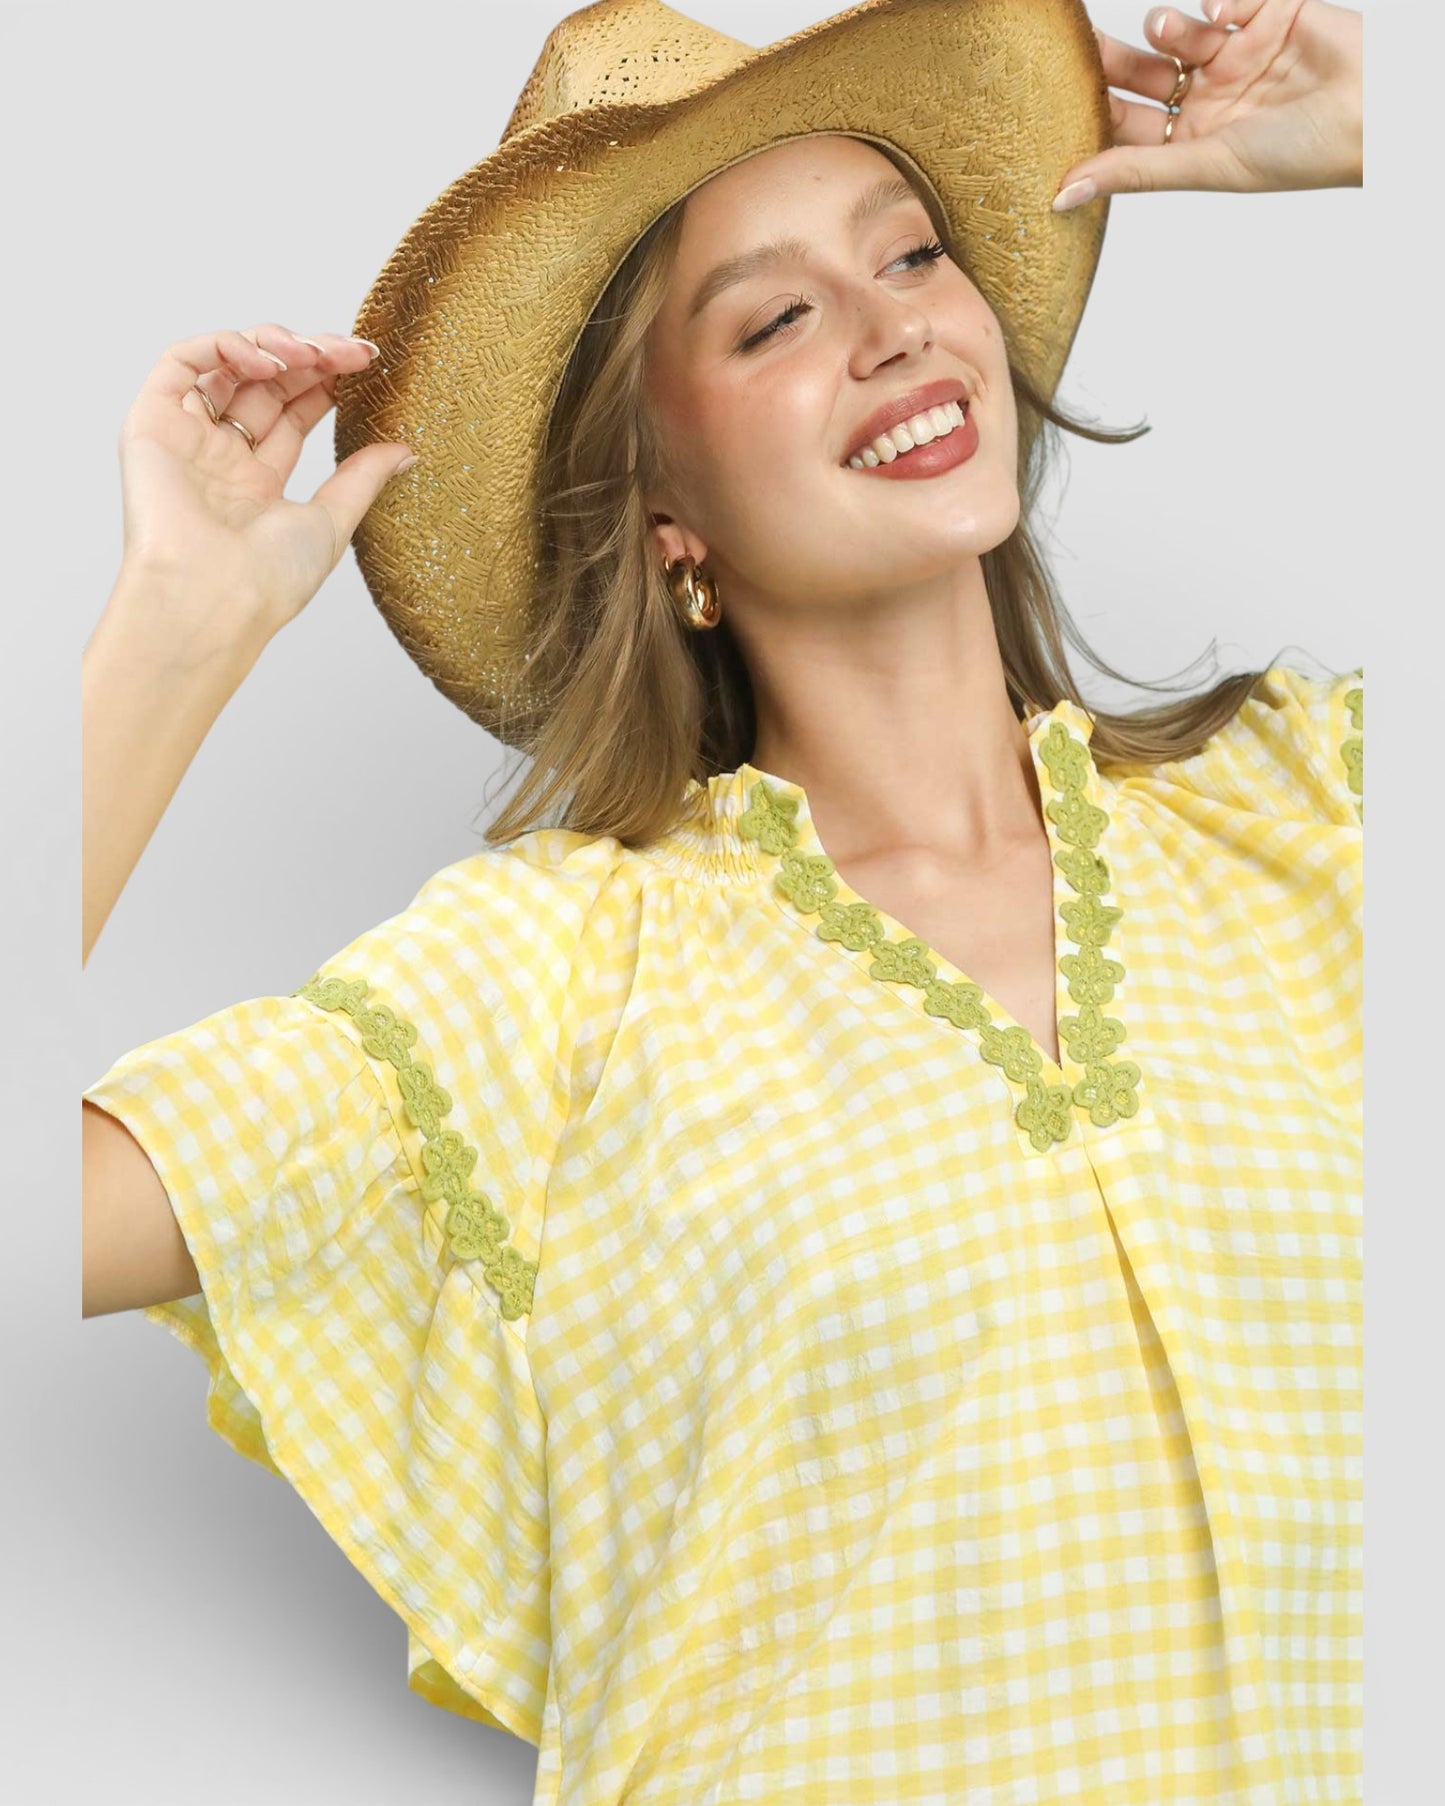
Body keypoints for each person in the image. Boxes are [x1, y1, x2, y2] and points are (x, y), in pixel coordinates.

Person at [81, 1, 1365, 1799]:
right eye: (774, 316)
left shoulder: (1322, 816)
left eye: (912, 253)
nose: (894, 323)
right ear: (660, 502)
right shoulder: (544, 973)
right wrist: (171, 635)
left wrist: (1390, 129)